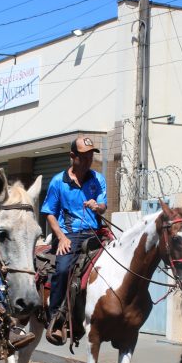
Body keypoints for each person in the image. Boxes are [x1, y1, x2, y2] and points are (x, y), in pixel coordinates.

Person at [40, 136, 107, 345]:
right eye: (84, 157)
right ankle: (55, 318)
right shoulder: (58, 182)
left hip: (96, 233)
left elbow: (103, 205)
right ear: (72, 156)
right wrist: (60, 237)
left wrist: (97, 206)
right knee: (62, 270)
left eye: (90, 156)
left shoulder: (98, 179)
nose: (88, 161)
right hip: (70, 235)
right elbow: (49, 212)